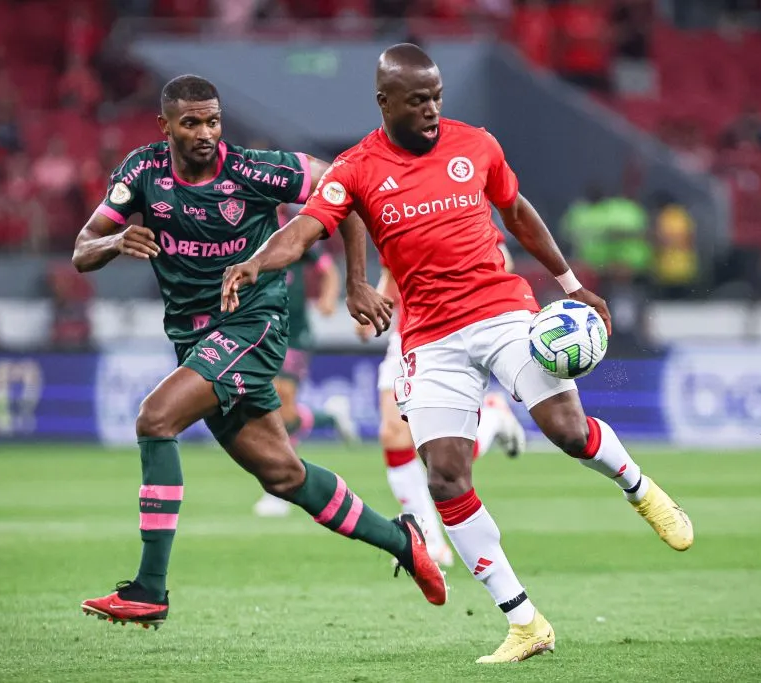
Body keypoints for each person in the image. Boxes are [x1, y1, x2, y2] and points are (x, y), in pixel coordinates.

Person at [221, 44, 694, 664]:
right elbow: (305, 229)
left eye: (437, 97)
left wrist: (571, 283)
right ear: (385, 102)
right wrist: (256, 263)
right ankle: (525, 623)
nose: (432, 110)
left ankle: (640, 489)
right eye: (418, 100)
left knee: (568, 430)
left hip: (502, 311)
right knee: (445, 477)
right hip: (430, 337)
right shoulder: (357, 167)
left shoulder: (476, 145)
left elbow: (516, 212)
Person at [72, 74, 446, 630]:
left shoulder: (254, 170)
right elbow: (82, 250)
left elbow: (345, 191)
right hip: (194, 338)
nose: (205, 133)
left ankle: (149, 589)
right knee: (283, 475)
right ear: (165, 126)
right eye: (191, 123)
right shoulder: (141, 173)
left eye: (213, 121)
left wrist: (355, 282)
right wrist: (115, 241)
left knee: (155, 419)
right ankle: (402, 539)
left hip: (254, 324)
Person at [362, 230, 527, 568]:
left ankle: (493, 419)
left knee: (442, 451)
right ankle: (429, 541)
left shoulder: (462, 200)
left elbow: (503, 262)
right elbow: (392, 270)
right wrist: (375, 304)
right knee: (393, 434)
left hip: (452, 333)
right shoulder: (389, 206)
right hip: (408, 332)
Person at [253, 210, 360, 518]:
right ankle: (330, 417)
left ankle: (278, 488)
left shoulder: (293, 228)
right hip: (258, 331)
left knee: (279, 399)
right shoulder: (246, 225)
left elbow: (327, 269)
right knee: (276, 410)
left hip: (294, 333)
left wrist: (328, 297)